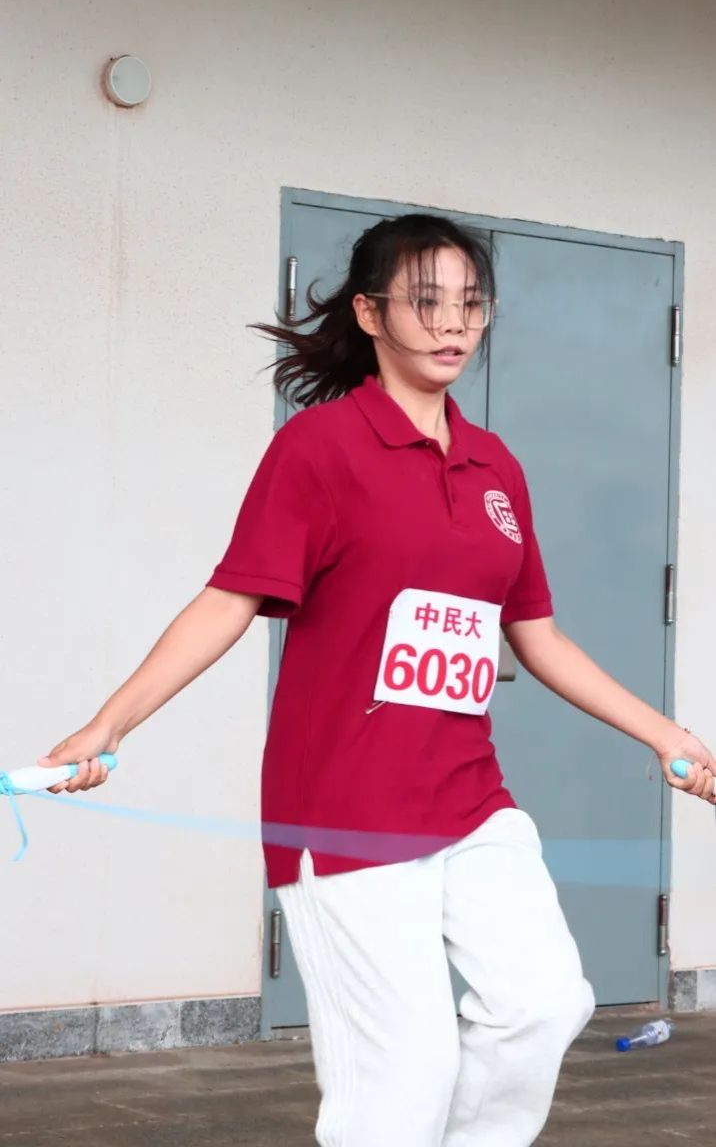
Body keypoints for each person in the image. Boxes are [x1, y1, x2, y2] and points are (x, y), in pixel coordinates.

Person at [42, 213, 716, 1147]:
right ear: (369, 313)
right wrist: (109, 724)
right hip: (343, 812)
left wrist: (669, 737)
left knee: (544, 1003)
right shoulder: (320, 449)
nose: (454, 324)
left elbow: (539, 637)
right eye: (426, 301)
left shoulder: (496, 468)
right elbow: (229, 600)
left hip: (469, 800)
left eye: (472, 304)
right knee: (405, 1074)